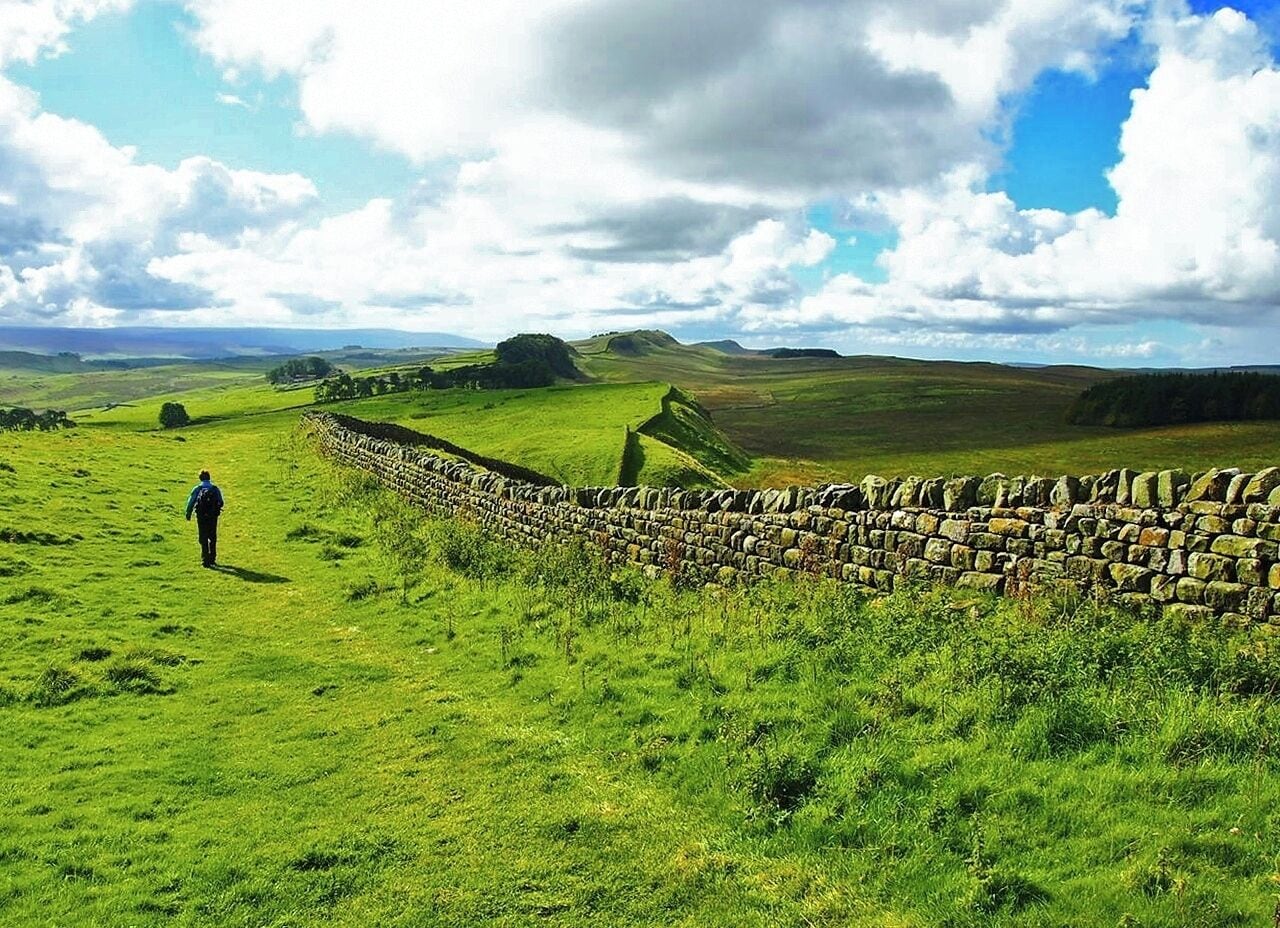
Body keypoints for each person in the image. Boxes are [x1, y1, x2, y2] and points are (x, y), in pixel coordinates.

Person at [185, 470, 225, 567]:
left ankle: (205, 559)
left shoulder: (197, 489)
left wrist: (188, 513)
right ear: (209, 478)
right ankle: (212, 558)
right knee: (212, 536)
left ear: (200, 478)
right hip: (212, 516)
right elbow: (221, 502)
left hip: (201, 516)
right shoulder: (215, 489)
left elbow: (191, 502)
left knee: (203, 536)